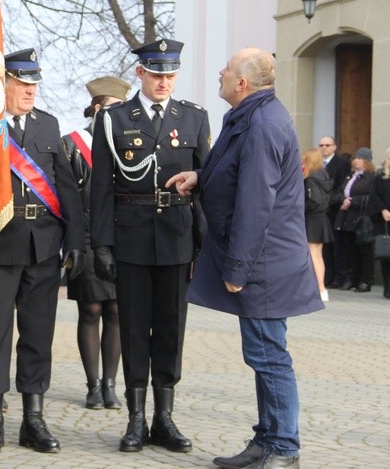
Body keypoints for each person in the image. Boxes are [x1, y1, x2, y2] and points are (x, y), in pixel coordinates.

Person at [166, 47, 324, 469]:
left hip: (264, 265)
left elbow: (256, 202)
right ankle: (266, 439)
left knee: (270, 356)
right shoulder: (249, 115)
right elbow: (237, 173)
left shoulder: (263, 125)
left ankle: (284, 448)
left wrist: (237, 270)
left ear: (242, 83)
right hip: (261, 260)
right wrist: (200, 177)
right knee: (262, 353)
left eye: (228, 68)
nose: (219, 71)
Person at [90, 39, 209, 454]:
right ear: (140, 73)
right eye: (157, 73)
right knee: (135, 328)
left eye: (170, 74)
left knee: (171, 329)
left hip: (177, 236)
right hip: (132, 236)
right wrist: (101, 244)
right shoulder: (114, 118)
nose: (164, 81)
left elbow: (204, 186)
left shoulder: (194, 117)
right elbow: (100, 187)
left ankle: (164, 417)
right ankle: (136, 418)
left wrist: (205, 241)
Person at [0, 48, 85, 455]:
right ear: (3, 84)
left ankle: (33, 419)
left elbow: (66, 188)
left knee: (38, 335)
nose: (30, 91)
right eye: (22, 84)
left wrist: (75, 240)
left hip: (42, 244)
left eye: (33, 85)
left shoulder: (48, 126)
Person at [62, 76, 129, 411]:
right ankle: (92, 385)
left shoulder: (129, 142)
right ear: (96, 108)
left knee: (117, 310)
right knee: (90, 310)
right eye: (109, 109)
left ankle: (110, 384)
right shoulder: (73, 144)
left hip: (121, 238)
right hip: (87, 236)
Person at [334, 147, 377, 293]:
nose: (356, 161)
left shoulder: (372, 177)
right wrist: (343, 200)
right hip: (347, 218)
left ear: (366, 161)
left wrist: (353, 201)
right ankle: (351, 278)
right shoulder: (350, 176)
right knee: (349, 250)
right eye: (355, 158)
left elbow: (372, 197)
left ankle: (365, 280)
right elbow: (339, 192)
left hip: (361, 218)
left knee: (364, 251)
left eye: (359, 158)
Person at [302, 148, 334, 302]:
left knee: (312, 255)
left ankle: (318, 288)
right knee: (318, 255)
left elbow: (313, 200)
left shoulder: (312, 179)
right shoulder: (324, 176)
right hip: (322, 218)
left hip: (313, 219)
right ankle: (322, 289)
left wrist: (300, 206)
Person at [319, 136, 351, 289]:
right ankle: (328, 276)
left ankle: (340, 277)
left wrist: (330, 200)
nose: (324, 148)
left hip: (335, 209)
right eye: (321, 145)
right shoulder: (318, 163)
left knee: (337, 245)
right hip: (321, 211)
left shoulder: (341, 163)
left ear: (334, 147)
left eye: (327, 145)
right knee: (324, 246)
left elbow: (340, 186)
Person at [371, 147, 390, 299]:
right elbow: (374, 195)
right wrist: (383, 209)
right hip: (384, 221)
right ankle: (387, 288)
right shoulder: (380, 176)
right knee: (386, 256)